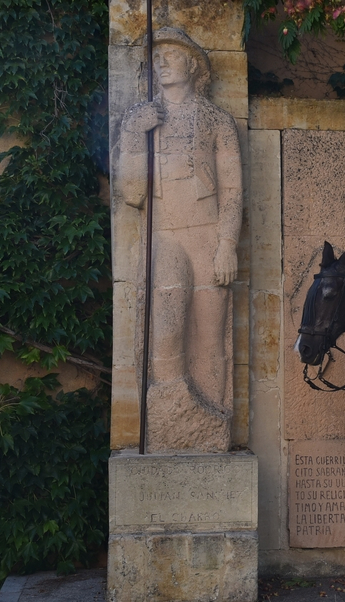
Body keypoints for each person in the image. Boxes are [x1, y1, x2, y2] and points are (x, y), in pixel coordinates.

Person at [114, 28, 243, 451]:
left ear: (192, 64)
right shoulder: (141, 120)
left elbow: (233, 191)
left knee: (210, 339)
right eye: (157, 56)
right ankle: (171, 414)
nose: (162, 62)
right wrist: (134, 135)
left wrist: (227, 244)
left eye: (171, 54)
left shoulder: (217, 121)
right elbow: (132, 195)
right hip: (164, 237)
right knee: (164, 327)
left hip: (207, 238)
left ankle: (208, 423)